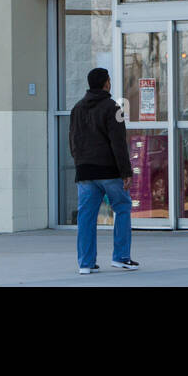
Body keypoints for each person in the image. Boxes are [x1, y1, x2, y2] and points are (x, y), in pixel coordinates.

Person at [68, 67, 139, 274]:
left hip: (85, 172)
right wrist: (126, 172)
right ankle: (121, 257)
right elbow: (119, 142)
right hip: (109, 171)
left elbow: (72, 141)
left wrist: (80, 164)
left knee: (86, 217)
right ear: (106, 83)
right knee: (122, 207)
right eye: (109, 80)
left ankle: (85, 263)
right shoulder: (113, 108)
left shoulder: (77, 108)